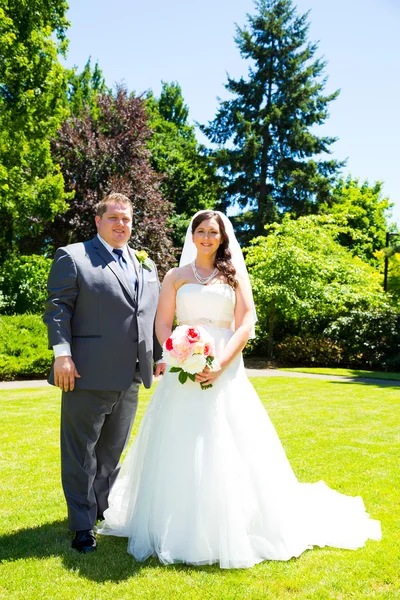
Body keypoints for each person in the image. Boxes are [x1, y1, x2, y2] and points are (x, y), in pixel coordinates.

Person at [96, 210, 381, 569]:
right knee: (178, 440)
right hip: (183, 364)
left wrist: (221, 363)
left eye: (212, 232)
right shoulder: (176, 276)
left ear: (222, 237)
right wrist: (178, 353)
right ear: (192, 235)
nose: (206, 237)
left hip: (224, 364)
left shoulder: (232, 276)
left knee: (226, 437)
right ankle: (172, 523)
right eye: (200, 231)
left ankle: (231, 523)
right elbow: (163, 322)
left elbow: (246, 322)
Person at [43, 192, 166, 554]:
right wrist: (62, 355)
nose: (121, 224)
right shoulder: (73, 256)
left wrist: (158, 356)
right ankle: (82, 526)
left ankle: (98, 510)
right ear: (98, 221)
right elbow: (57, 308)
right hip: (86, 373)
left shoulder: (146, 264)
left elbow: (150, 316)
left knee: (111, 451)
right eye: (113, 218)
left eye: (126, 219)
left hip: (131, 375)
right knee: (81, 453)